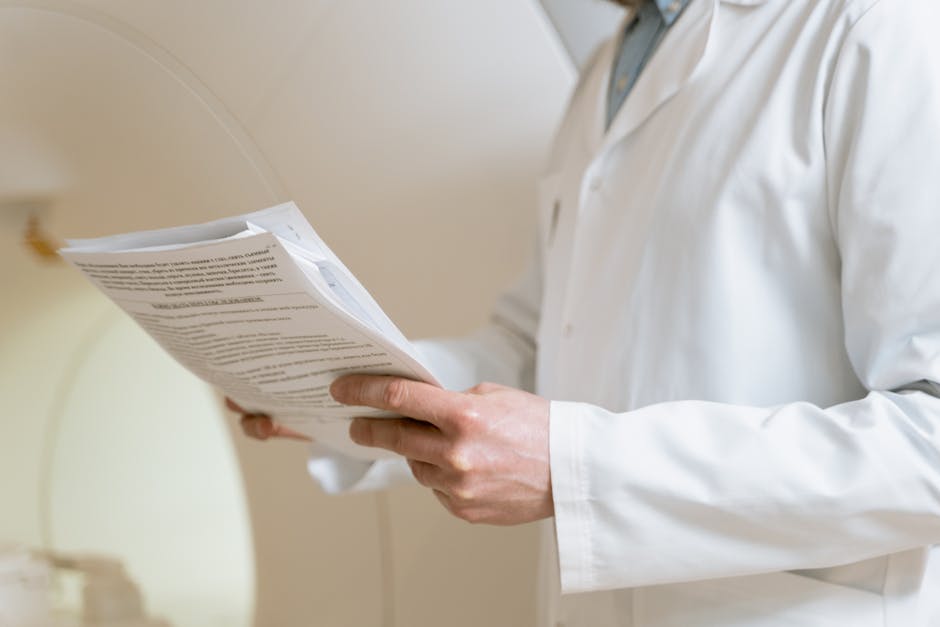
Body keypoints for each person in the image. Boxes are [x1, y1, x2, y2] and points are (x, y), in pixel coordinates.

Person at [233, 0, 940, 624]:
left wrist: (578, 469)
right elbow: (544, 347)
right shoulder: (613, 66)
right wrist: (337, 381)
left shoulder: (875, 26)